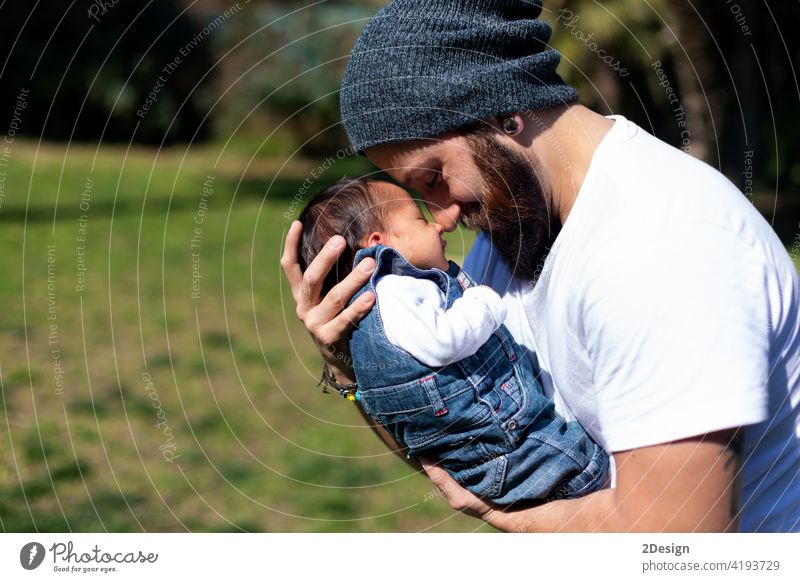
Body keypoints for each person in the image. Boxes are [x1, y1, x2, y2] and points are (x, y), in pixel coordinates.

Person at [281, 0, 800, 532]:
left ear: (507, 113)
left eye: (433, 178)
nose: (442, 219)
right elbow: (460, 432)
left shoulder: (665, 247)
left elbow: (676, 542)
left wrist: (515, 522)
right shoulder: (513, 228)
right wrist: (354, 358)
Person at [297, 176, 608, 505]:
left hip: (496, 459)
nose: (439, 225)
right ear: (379, 243)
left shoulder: (379, 308)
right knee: (585, 472)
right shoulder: (396, 289)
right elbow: (442, 341)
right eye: (420, 219)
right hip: (516, 444)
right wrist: (485, 301)